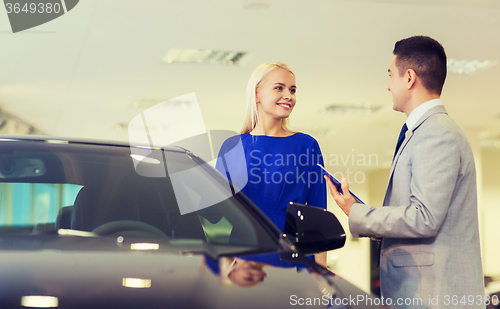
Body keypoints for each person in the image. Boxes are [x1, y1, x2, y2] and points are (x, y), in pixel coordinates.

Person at [325, 36, 484, 308]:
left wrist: (357, 212)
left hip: (434, 297)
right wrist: (379, 229)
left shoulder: (436, 133)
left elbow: (425, 217)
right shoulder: (425, 132)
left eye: (391, 75)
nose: (389, 86)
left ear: (409, 78)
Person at [216, 62, 327, 266]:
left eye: (292, 90)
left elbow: (317, 213)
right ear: (257, 94)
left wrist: (322, 275)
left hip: (294, 255)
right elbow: (217, 213)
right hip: (243, 255)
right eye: (279, 88)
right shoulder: (232, 147)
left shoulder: (306, 145)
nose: (289, 95)